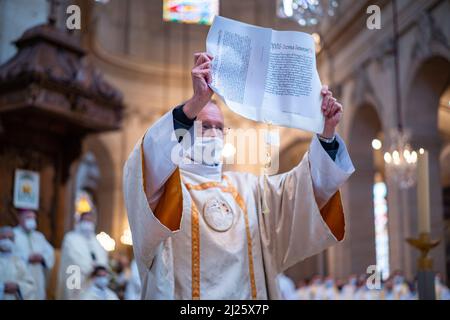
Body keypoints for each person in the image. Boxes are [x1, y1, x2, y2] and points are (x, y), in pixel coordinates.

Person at [123, 52, 355, 299]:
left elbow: (303, 192)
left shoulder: (249, 189)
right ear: (187, 128)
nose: (214, 133)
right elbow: (143, 167)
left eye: (220, 127)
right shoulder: (168, 189)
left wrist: (326, 135)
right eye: (204, 125)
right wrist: (197, 102)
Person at [56, 210, 108, 300]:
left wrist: (100, 268)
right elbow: (73, 257)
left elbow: (103, 257)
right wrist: (91, 269)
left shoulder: (96, 241)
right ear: (79, 222)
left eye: (90, 221)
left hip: (93, 281)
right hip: (76, 278)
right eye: (85, 220)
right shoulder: (71, 238)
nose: (88, 223)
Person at [13, 209, 55, 300]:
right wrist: (27, 258)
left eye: (33, 218)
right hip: (21, 276)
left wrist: (42, 258)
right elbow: (9, 256)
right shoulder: (13, 235)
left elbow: (50, 252)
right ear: (20, 218)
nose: (31, 220)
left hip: (37, 274)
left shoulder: (39, 236)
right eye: (28, 217)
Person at [0, 226, 36, 300]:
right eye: (4, 237)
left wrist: (18, 286)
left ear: (14, 241)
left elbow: (30, 284)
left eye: (10, 238)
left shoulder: (19, 261)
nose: (7, 240)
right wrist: (2, 288)